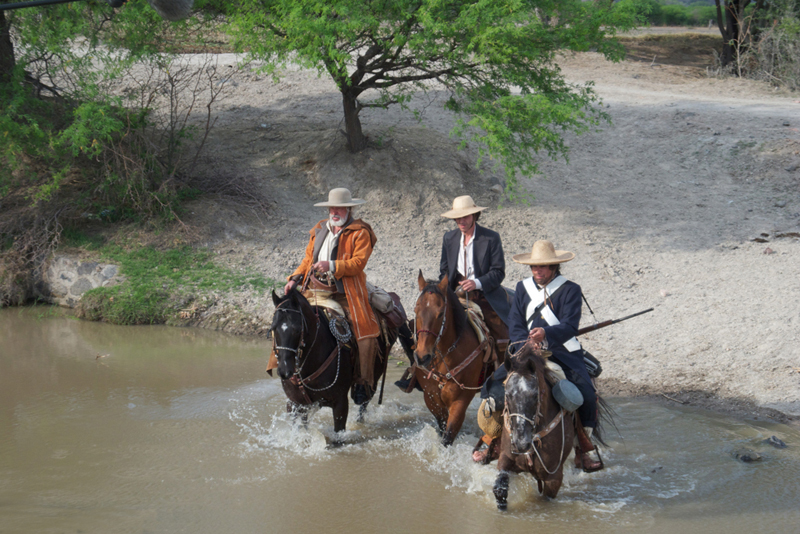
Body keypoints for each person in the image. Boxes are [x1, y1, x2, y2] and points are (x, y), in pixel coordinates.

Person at [474, 240, 603, 472]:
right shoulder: (523, 288)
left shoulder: (571, 289)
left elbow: (570, 326)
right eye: (534, 267)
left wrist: (545, 334)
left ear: (554, 267)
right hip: (525, 349)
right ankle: (492, 439)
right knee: (492, 388)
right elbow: (514, 322)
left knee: (586, 394)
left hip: (562, 349)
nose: (538, 271)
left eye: (543, 267)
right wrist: (526, 343)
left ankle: (582, 446)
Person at [395, 195, 512, 392]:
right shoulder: (449, 238)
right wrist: (444, 288)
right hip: (453, 295)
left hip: (484, 296)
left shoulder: (490, 238)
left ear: (474, 215)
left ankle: (502, 380)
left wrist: (476, 282)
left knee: (502, 334)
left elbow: (498, 272)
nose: (461, 221)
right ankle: (418, 372)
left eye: (465, 217)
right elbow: (444, 270)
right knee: (422, 324)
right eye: (457, 218)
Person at [278, 187, 382, 397]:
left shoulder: (361, 232)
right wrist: (294, 279)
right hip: (315, 288)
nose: (335, 212)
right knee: (285, 321)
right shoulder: (319, 229)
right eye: (332, 208)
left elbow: (358, 263)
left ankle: (363, 381)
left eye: (340, 208)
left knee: (365, 331)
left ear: (349, 209)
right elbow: (308, 260)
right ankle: (286, 371)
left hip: (346, 292)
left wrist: (332, 265)